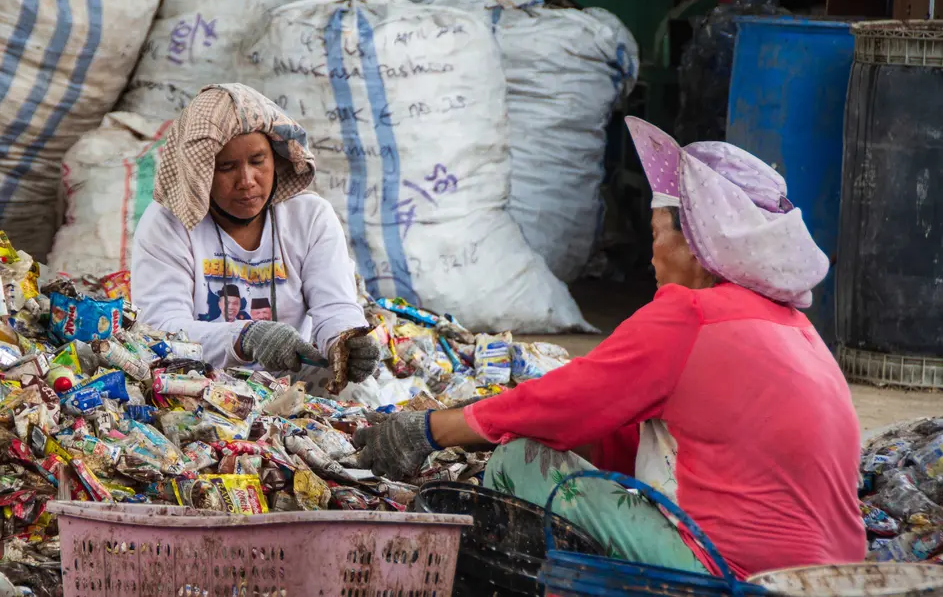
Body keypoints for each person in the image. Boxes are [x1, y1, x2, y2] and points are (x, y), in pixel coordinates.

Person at [356, 117, 865, 578]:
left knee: (518, 461)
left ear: (700, 244)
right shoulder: (796, 327)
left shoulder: (690, 315)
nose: (651, 254)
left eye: (656, 234)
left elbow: (563, 401)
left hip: (732, 576)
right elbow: (621, 430)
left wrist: (429, 430)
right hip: (833, 577)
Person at [131, 83, 380, 390]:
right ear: (200, 174)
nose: (246, 181)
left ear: (276, 158)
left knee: (358, 388)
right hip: (200, 382)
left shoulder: (309, 217)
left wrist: (346, 340)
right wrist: (244, 338)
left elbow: (334, 307)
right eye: (227, 167)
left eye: (258, 161)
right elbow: (159, 330)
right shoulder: (168, 224)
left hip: (292, 384)